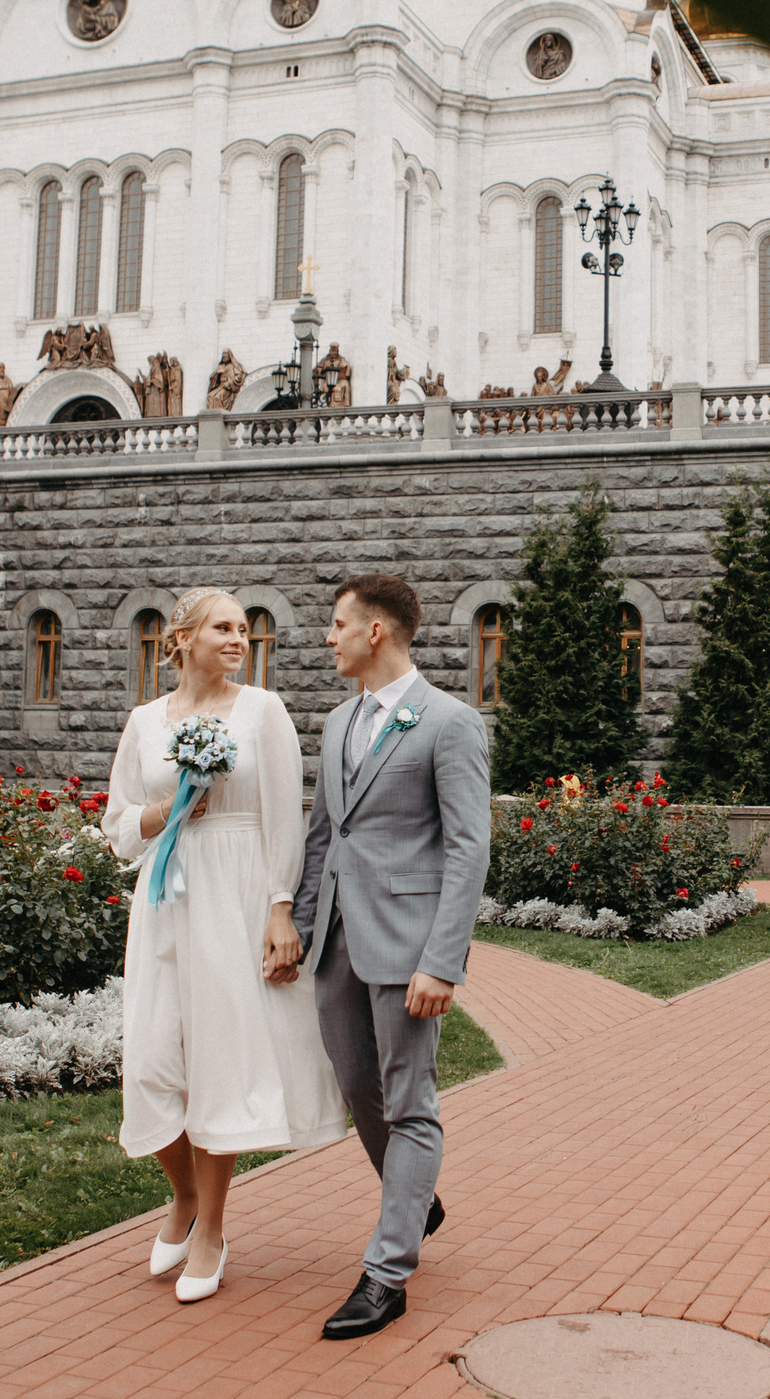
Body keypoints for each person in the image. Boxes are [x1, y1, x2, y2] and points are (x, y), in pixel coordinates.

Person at [100, 587, 344, 1304]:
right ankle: (183, 1195)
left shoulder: (262, 711)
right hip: (165, 899)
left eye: (244, 628)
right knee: (152, 1061)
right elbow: (118, 826)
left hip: (236, 895)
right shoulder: (144, 721)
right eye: (224, 627)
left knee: (219, 1060)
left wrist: (280, 908)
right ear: (183, 638)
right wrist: (167, 809)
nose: (239, 638)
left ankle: (211, 1228)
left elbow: (284, 817)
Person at [292, 572, 490, 1340]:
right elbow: (323, 834)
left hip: (408, 946)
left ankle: (387, 1271)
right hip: (338, 940)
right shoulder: (339, 720)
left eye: (338, 623)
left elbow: (468, 848)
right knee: (356, 1086)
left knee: (410, 1102)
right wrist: (300, 927)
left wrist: (442, 959)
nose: (329, 636)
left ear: (375, 630)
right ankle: (416, 1197)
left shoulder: (449, 721)